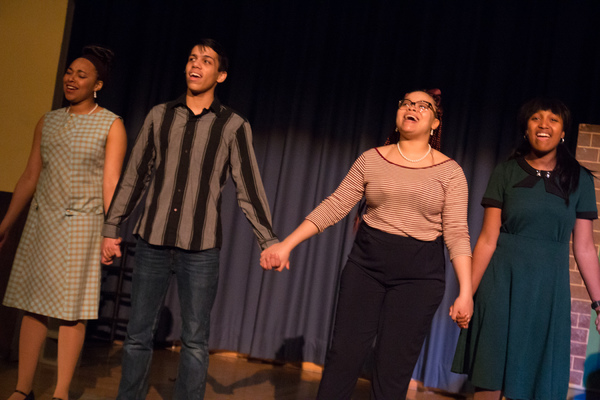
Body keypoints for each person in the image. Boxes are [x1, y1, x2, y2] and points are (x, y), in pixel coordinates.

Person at [260, 89, 473, 399]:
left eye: (422, 106)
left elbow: (456, 232)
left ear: (435, 123)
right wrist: (286, 244)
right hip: (367, 266)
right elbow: (335, 205)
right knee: (343, 356)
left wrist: (465, 291)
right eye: (406, 103)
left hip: (420, 276)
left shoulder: (450, 172)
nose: (411, 108)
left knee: (392, 368)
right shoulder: (371, 159)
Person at [100, 38, 278, 399]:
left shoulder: (233, 126)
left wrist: (269, 240)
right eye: (192, 58)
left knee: (195, 340)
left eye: (207, 61)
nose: (196, 65)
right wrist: (110, 228)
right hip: (151, 240)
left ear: (221, 74)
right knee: (137, 335)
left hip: (200, 248)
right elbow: (135, 176)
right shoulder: (160, 115)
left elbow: (249, 187)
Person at [0, 46, 127, 400]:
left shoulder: (111, 123)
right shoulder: (49, 119)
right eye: (69, 72)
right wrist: (6, 222)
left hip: (83, 225)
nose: (71, 79)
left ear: (97, 84)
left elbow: (111, 183)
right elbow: (29, 176)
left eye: (81, 75)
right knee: (34, 304)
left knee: (72, 311)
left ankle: (60, 392)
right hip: (43, 222)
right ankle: (23, 388)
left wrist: (110, 233)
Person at [452, 98, 600, 400]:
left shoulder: (580, 180)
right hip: (500, 287)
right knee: (489, 380)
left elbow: (584, 247)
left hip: (547, 293)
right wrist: (466, 292)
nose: (543, 124)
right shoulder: (505, 173)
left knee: (535, 383)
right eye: (535, 118)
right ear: (525, 128)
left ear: (563, 132)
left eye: (553, 120)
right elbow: (487, 240)